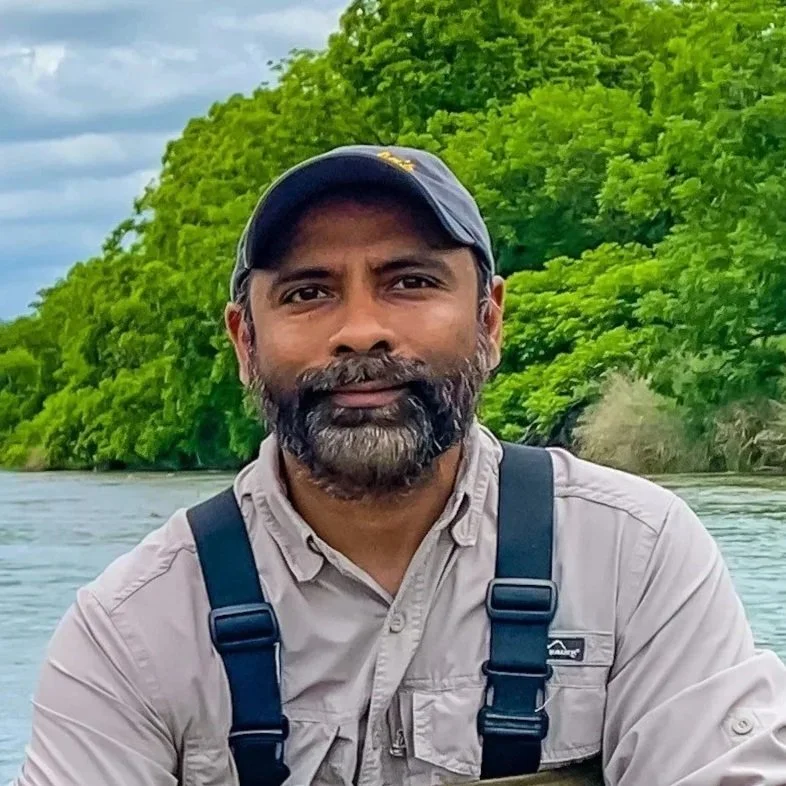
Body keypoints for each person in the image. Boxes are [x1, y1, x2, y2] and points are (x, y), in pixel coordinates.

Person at [13, 145, 786, 786]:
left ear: (489, 320)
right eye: (308, 292)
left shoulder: (636, 556)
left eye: (410, 282)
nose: (361, 330)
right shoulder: (130, 633)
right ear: (245, 342)